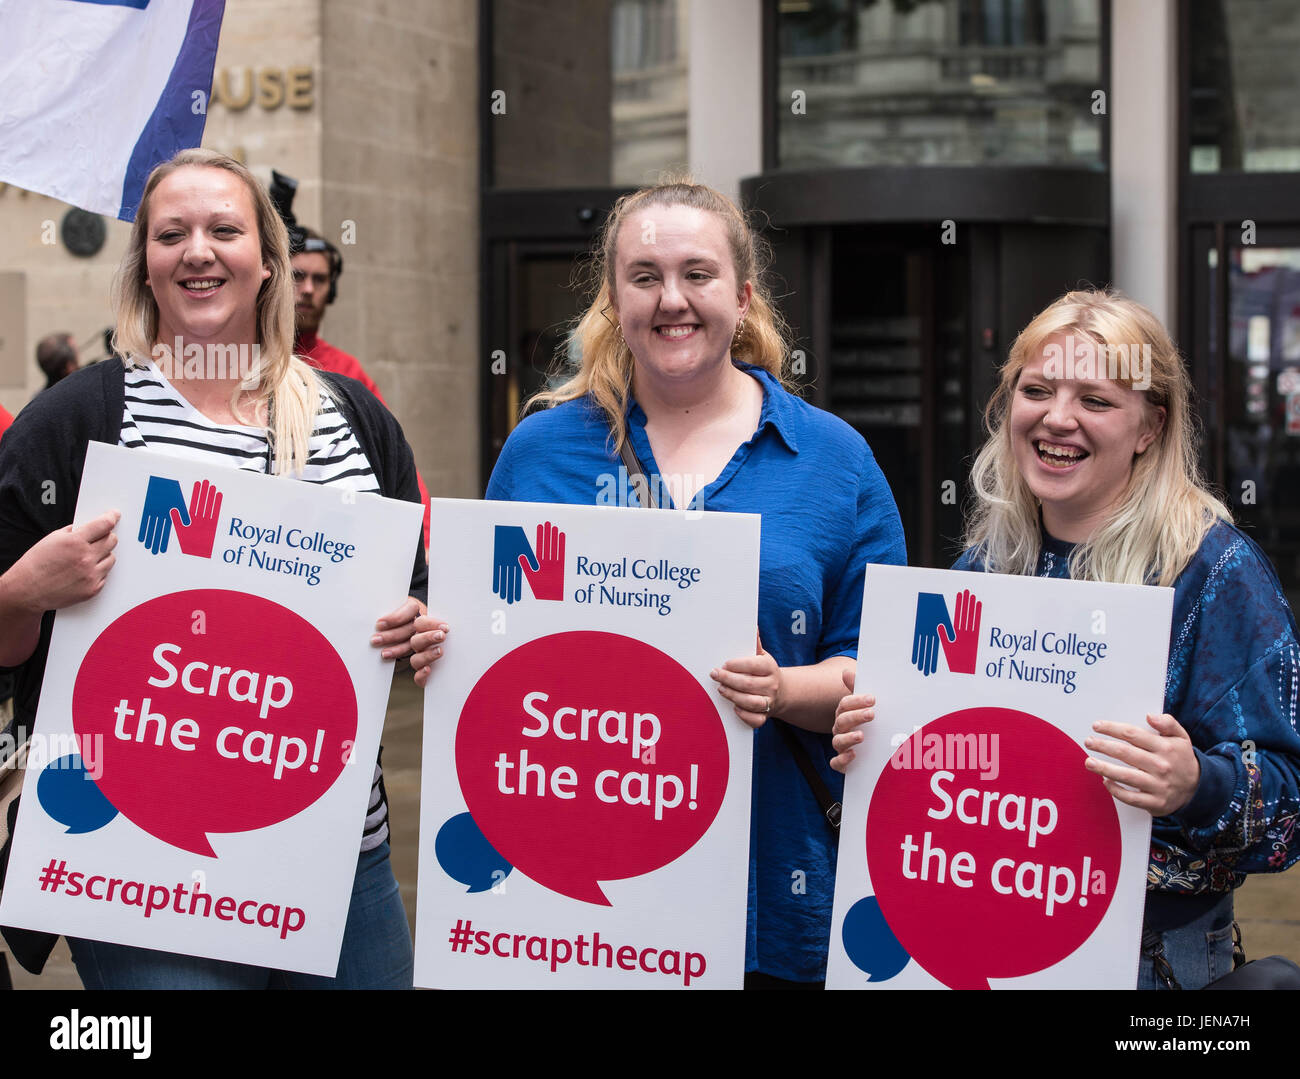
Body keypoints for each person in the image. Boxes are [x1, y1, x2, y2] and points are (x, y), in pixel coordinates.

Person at [410, 180, 906, 987]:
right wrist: (444, 644)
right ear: (615, 299)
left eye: (697, 274)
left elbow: (879, 672)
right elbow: (485, 641)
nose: (671, 299)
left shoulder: (834, 460)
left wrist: (780, 687)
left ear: (742, 297)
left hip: (766, 892)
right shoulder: (540, 452)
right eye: (644, 277)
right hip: (572, 888)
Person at [0, 148, 432, 988]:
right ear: (146, 268)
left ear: (266, 262)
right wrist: (23, 589)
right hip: (143, 873)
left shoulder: (354, 418)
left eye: (224, 229)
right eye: (172, 234)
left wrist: (418, 628)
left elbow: (412, 597)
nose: (198, 250)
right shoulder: (78, 420)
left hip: (341, 862)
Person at [830, 289, 1300, 989]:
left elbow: (1289, 811)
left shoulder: (1212, 571)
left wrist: (1197, 783)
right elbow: (953, 765)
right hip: (976, 937)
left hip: (1145, 961)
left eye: (1096, 400)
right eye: (1038, 389)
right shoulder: (985, 566)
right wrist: (878, 744)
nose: (1057, 418)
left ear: (1149, 426)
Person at [290, 225, 432, 549]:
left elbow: (393, 458)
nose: (309, 289)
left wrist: (424, 540)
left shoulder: (348, 370)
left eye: (320, 279)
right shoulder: (242, 359)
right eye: (298, 276)